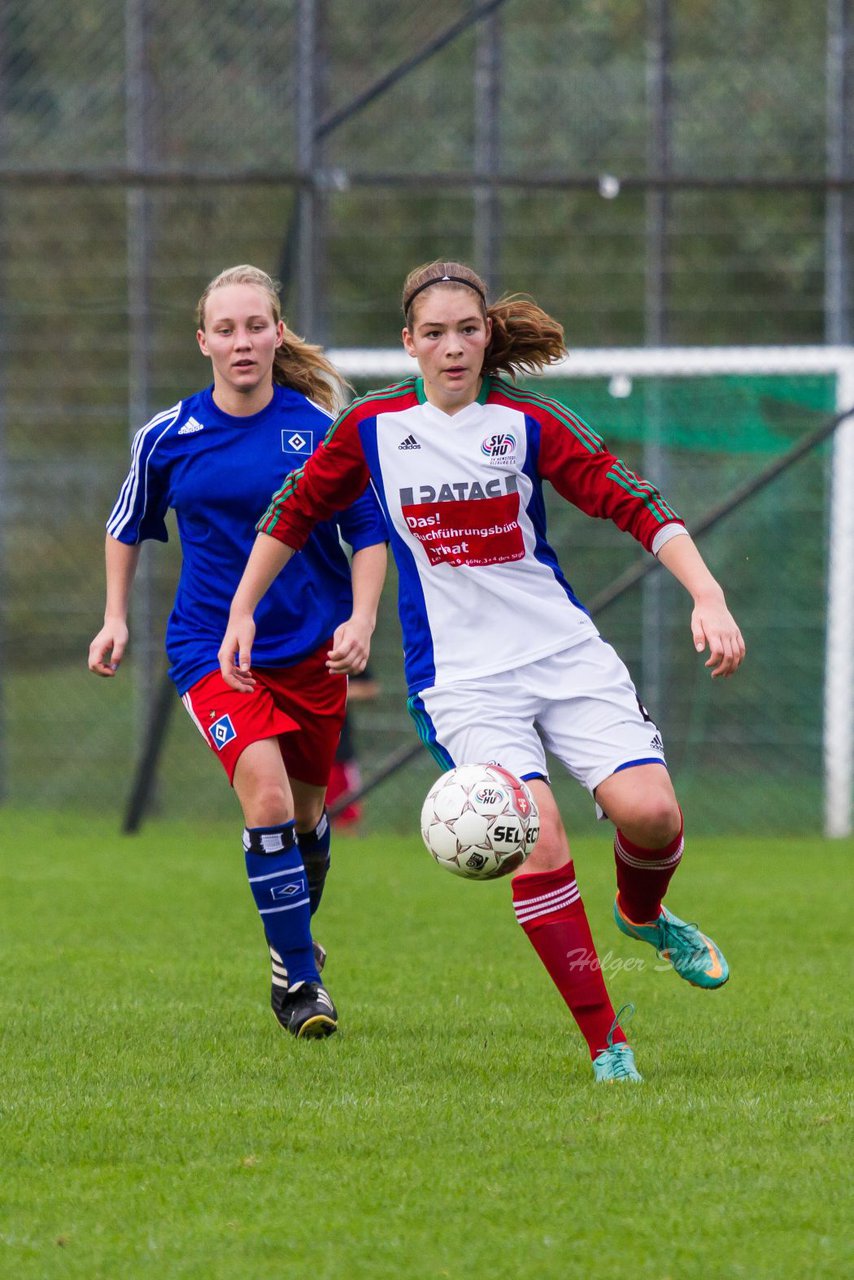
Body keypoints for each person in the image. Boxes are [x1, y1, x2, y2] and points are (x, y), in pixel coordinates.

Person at [217, 259, 745, 1082]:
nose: (453, 347)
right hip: (463, 680)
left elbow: (630, 499)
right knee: (536, 839)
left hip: (562, 653)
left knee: (651, 816)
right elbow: (295, 507)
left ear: (487, 334)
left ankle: (643, 913)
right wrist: (242, 608)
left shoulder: (527, 422)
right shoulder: (373, 427)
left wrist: (706, 594)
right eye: (434, 334)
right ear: (410, 344)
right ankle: (609, 1047)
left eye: (467, 330)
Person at [88, 264, 388, 1040]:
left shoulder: (319, 430)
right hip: (211, 652)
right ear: (203, 342)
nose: (242, 341)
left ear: (277, 332)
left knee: (311, 818)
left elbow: (368, 531)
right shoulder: (168, 436)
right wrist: (114, 617)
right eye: (225, 329)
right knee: (268, 798)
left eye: (255, 325)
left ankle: (290, 952)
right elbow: (126, 526)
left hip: (311, 653)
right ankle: (302, 991)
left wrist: (360, 619)